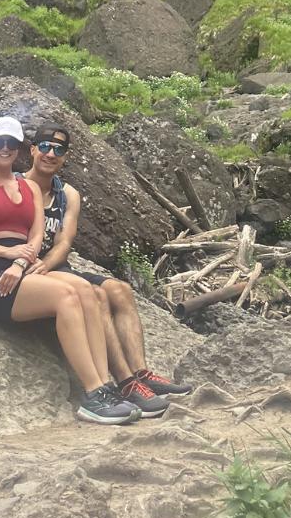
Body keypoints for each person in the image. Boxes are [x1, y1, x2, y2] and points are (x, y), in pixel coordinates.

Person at [0, 115, 141, 426]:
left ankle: (105, 388)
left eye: (12, 142)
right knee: (66, 296)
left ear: (20, 148)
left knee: (86, 291)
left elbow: (37, 237)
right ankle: (92, 395)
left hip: (19, 267)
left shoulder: (29, 188)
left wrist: (20, 262)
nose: (6, 148)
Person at [22, 122, 193, 415]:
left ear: (65, 157)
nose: (51, 154)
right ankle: (126, 383)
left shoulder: (68, 195)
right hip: (37, 274)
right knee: (96, 295)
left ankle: (141, 374)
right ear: (33, 150)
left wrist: (47, 264)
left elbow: (65, 241)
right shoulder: (16, 186)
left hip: (55, 266)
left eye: (59, 150)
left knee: (120, 290)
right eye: (46, 147)